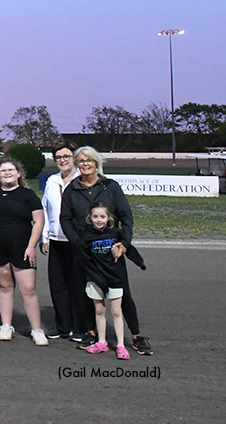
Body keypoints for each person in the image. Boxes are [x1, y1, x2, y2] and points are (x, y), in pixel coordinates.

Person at [60, 146, 153, 355]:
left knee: (123, 295)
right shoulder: (72, 189)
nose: (85, 164)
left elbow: (126, 216)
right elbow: (65, 219)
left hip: (111, 252)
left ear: (96, 163)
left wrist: (125, 244)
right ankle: (92, 333)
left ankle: (136, 336)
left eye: (89, 161)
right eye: (81, 161)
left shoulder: (110, 186)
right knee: (88, 293)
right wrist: (76, 242)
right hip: (85, 251)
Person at [0, 157, 48, 345]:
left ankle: (37, 330)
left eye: (10, 170)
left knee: (28, 289)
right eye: (3, 171)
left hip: (22, 248)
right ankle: (6, 325)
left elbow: (39, 221)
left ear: (19, 173)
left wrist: (31, 246)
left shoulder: (28, 196)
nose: (7, 173)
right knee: (5, 287)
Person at [39, 140, 88, 341]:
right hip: (56, 240)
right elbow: (45, 209)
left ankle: (80, 327)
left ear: (74, 158)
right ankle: (62, 325)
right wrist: (45, 236)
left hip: (78, 241)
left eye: (66, 156)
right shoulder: (52, 181)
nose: (62, 160)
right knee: (58, 284)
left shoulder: (83, 181)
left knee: (78, 284)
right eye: (59, 157)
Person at [79, 201, 131, 360]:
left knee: (116, 311)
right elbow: (84, 258)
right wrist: (92, 275)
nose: (99, 220)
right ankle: (101, 341)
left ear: (109, 218)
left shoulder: (116, 233)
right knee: (99, 310)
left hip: (114, 277)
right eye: (95, 216)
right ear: (90, 217)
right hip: (95, 278)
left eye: (102, 216)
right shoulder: (86, 236)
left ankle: (121, 345)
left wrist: (140, 262)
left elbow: (128, 249)